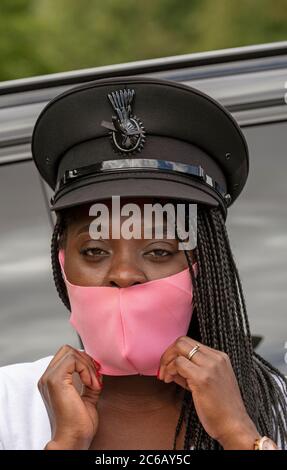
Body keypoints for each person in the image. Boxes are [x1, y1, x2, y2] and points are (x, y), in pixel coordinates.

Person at [0, 77, 286, 450]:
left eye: (158, 251)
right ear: (63, 264)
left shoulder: (276, 403)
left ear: (202, 266)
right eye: (95, 251)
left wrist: (239, 435)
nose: (123, 274)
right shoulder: (8, 405)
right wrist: (65, 444)